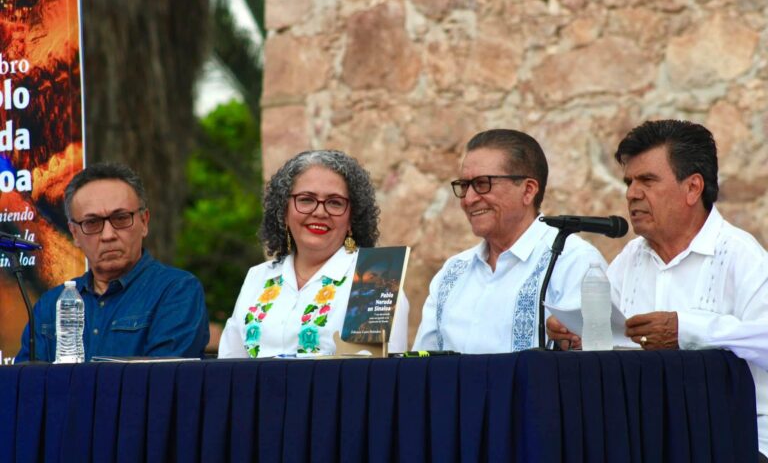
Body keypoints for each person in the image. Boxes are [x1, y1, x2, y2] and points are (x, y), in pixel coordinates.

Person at [547, 120, 768, 459]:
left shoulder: (742, 256)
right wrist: (582, 339)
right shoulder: (629, 260)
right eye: (629, 182)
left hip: (736, 440)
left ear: (693, 188)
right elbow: (617, 342)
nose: (632, 193)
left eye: (647, 180)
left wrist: (687, 330)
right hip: (646, 439)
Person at [413, 129, 607, 353]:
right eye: (464, 185)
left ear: (528, 190)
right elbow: (422, 362)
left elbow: (592, 366)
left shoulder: (573, 261)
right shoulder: (453, 272)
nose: (469, 199)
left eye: (482, 183)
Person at [218, 150, 408, 358]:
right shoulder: (258, 277)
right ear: (284, 211)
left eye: (335, 202)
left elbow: (376, 377)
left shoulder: (375, 279)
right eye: (306, 199)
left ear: (352, 218)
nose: (319, 212)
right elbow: (229, 365)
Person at [16, 162, 209, 362]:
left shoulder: (176, 291)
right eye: (92, 223)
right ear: (74, 233)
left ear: (144, 222)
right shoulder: (50, 305)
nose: (108, 235)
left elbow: (162, 383)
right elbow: (25, 386)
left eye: (121, 218)